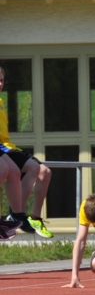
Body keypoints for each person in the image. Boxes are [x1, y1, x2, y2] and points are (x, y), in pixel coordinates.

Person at [0, 66, 53, 238]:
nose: (0, 84)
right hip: (3, 146)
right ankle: (16, 214)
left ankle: (22, 216)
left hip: (5, 145)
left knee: (41, 171)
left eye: (2, 80)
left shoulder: (0, 101)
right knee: (10, 170)